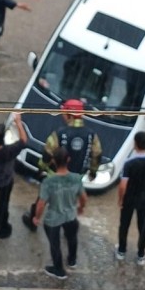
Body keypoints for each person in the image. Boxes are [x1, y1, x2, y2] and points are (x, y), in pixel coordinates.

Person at [22, 98, 102, 232]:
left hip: (55, 175)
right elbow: (97, 154)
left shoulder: (58, 134)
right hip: (76, 176)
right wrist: (93, 172)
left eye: (64, 113)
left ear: (69, 115)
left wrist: (41, 168)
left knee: (43, 199)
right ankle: (68, 228)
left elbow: (47, 154)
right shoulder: (91, 135)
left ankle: (33, 221)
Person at [33, 146, 87, 281]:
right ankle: (72, 260)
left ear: (53, 162)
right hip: (70, 215)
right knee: (72, 238)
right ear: (68, 160)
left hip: (53, 218)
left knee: (54, 243)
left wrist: (36, 217)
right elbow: (84, 197)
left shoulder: (48, 182)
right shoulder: (76, 178)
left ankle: (59, 269)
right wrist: (81, 208)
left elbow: (41, 203)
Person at [116, 130, 145, 265]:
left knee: (124, 225)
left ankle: (121, 251)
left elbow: (122, 186)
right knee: (143, 227)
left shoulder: (129, 163)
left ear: (135, 144)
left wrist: (120, 199)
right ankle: (141, 255)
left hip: (130, 198)